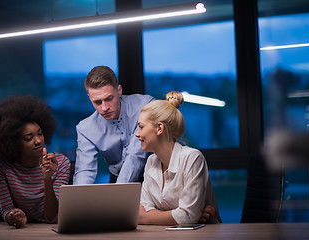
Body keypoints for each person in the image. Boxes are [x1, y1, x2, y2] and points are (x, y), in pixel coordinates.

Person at [136, 91, 221, 225]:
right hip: (166, 234)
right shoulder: (151, 162)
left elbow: (143, 216)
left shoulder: (192, 158)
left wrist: (146, 218)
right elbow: (144, 209)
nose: (137, 133)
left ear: (159, 128)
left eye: (141, 127)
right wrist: (185, 214)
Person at [0, 95, 71, 228]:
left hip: (50, 231)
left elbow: (52, 217)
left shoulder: (60, 163)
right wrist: (13, 216)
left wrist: (47, 178)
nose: (38, 141)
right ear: (14, 142)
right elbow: (7, 209)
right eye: (28, 138)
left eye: (40, 133)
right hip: (21, 232)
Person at [73, 66, 154, 184]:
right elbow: (85, 170)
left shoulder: (145, 106)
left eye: (109, 98)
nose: (104, 108)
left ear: (119, 90)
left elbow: (135, 155)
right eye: (97, 102)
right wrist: (79, 199)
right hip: (116, 179)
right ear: (90, 98)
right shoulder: (85, 129)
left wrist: (119, 191)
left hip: (154, 176)